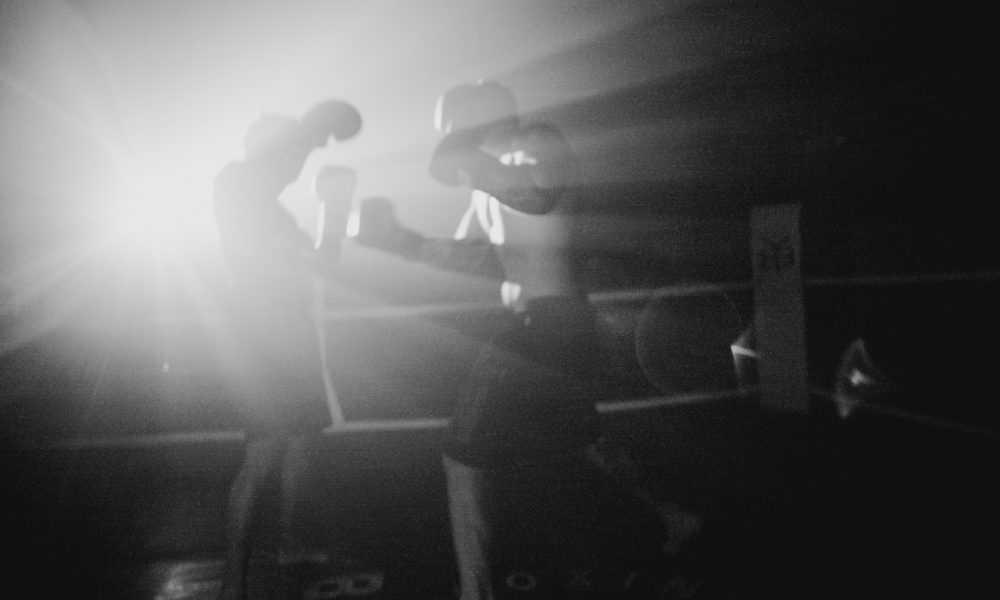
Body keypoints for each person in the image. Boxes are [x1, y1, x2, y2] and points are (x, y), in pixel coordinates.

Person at [350, 80, 700, 599]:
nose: (451, 142)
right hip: (544, 326)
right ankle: (676, 517)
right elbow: (469, 253)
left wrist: (478, 169)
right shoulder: (487, 179)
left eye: (453, 131)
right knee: (583, 437)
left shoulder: (539, 141)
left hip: (548, 323)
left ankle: (476, 593)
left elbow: (539, 199)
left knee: (462, 453)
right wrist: (398, 240)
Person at [213, 99, 361, 600]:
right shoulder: (236, 184)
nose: (299, 164)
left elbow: (324, 266)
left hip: (287, 332)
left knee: (302, 439)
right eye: (293, 153)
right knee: (262, 456)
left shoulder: (274, 211)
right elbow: (267, 170)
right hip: (261, 334)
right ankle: (233, 581)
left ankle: (292, 549)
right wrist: (316, 128)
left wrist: (334, 208)